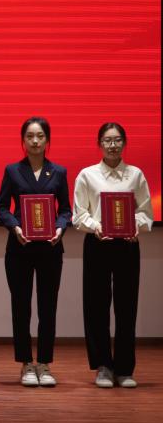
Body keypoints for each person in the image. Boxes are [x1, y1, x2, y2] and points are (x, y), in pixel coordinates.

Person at [73, 122, 153, 388]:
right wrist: (96, 227)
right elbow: (80, 214)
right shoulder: (87, 175)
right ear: (99, 144)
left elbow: (145, 212)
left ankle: (125, 369)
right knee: (96, 306)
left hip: (127, 245)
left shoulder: (136, 175)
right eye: (107, 140)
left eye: (117, 140)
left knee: (126, 306)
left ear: (124, 143)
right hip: (98, 244)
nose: (112, 145)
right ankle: (104, 366)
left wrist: (134, 226)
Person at [0, 117, 71, 388]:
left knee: (48, 307)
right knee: (21, 306)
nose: (35, 141)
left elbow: (65, 210)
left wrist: (60, 228)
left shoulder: (58, 171)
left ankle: (45, 363)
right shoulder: (13, 170)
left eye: (40, 136)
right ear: (23, 141)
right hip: (20, 247)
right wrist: (15, 227)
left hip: (50, 248)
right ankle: (26, 362)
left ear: (47, 140)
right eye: (30, 136)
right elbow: (1, 207)